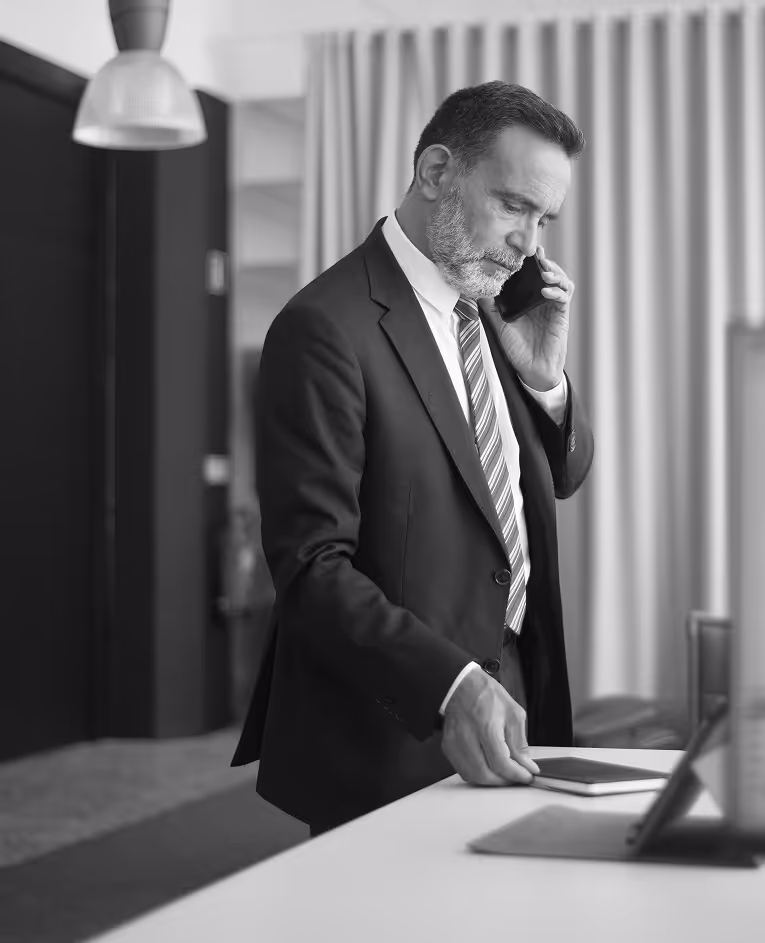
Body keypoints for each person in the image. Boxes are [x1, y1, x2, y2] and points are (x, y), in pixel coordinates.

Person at [231, 80, 594, 837]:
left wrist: (546, 379)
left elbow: (558, 478)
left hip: (517, 697)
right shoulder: (322, 327)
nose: (530, 243)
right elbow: (312, 566)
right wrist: (452, 683)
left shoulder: (492, 306)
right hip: (396, 723)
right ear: (435, 174)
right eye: (514, 206)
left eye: (544, 219)